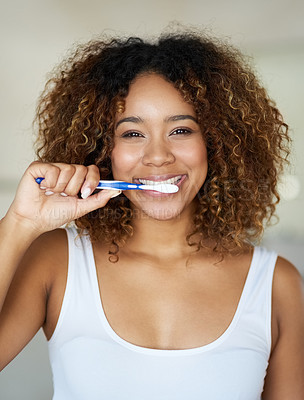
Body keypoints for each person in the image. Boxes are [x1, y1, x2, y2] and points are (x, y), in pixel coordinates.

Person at [0, 29, 303, 400]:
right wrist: (20, 223)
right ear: (102, 150)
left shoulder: (276, 284)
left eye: (180, 129)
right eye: (131, 134)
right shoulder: (56, 261)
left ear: (216, 144)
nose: (158, 156)